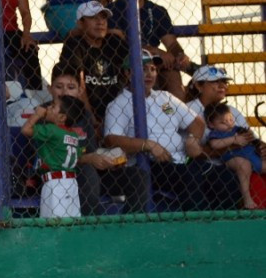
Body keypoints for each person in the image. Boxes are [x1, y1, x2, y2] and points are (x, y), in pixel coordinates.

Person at [103, 51, 240, 212]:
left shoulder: (164, 98)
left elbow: (196, 122)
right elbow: (111, 139)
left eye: (153, 69)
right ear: (128, 73)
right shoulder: (119, 104)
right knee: (191, 178)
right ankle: (196, 223)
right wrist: (148, 145)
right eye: (143, 69)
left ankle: (223, 222)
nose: (149, 74)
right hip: (150, 165)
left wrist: (193, 139)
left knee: (225, 177)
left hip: (182, 160)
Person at [48, 65, 147, 216]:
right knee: (88, 171)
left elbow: (91, 150)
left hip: (91, 174)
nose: (65, 92)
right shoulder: (45, 113)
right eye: (59, 87)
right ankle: (91, 224)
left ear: (80, 91)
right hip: (60, 174)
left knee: (138, 176)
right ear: (50, 89)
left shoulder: (85, 115)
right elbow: (49, 156)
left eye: (71, 87)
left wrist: (108, 160)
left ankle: (130, 223)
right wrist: (88, 159)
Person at [107, 0, 191, 99]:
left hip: (155, 62)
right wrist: (154, 51)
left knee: (173, 74)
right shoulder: (113, 9)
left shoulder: (158, 10)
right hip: (125, 61)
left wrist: (179, 54)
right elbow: (118, 45)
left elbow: (172, 44)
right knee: (148, 71)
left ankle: (175, 111)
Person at [187, 65, 266, 208]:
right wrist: (234, 144)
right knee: (230, 179)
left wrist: (261, 146)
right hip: (207, 166)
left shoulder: (231, 110)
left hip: (242, 159)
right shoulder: (188, 109)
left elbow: (250, 138)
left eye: (224, 82)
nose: (222, 85)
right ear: (199, 86)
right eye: (215, 82)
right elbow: (192, 151)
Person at [56, 1, 128, 123]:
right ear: (80, 23)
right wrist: (91, 120)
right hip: (84, 112)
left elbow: (133, 69)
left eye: (103, 17)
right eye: (93, 18)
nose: (100, 22)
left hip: (119, 110)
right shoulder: (74, 44)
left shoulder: (114, 41)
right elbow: (78, 84)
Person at [21, 95, 86, 218]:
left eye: (53, 106)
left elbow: (26, 129)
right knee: (70, 221)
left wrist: (37, 114)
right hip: (71, 182)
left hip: (55, 183)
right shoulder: (73, 134)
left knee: (53, 222)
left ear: (62, 117)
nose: (48, 107)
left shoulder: (52, 130)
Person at [203, 102, 262, 210]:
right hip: (234, 157)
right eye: (223, 122)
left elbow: (252, 138)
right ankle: (247, 198)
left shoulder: (238, 129)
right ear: (211, 124)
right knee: (244, 166)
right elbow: (214, 144)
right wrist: (233, 139)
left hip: (253, 156)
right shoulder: (217, 133)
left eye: (231, 119)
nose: (229, 124)